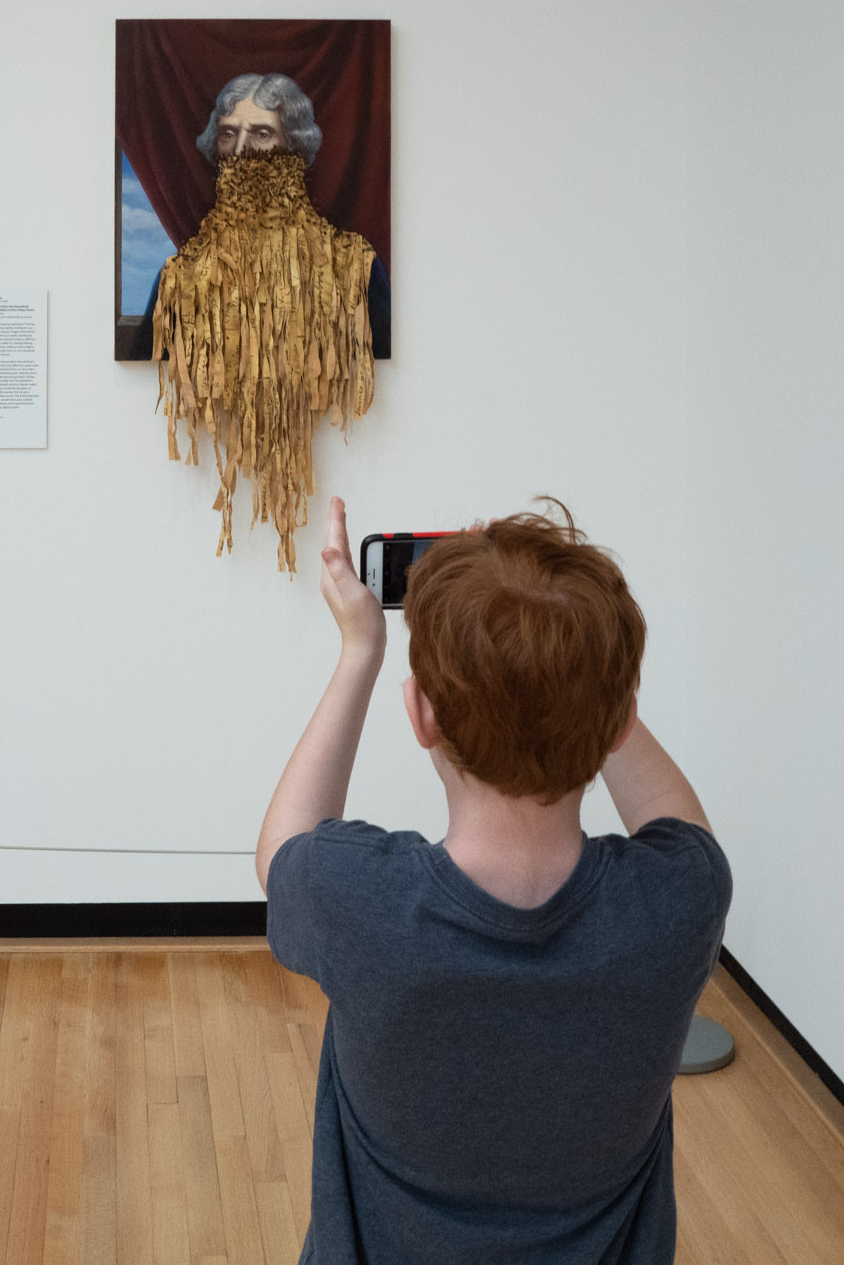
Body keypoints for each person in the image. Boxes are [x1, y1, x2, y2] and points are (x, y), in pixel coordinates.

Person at [258, 497, 732, 1264]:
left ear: (420, 716)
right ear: (619, 722)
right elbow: (681, 826)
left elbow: (281, 848)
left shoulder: (357, 900)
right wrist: (570, 661)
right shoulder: (678, 903)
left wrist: (360, 652)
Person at [127, 73, 391, 360]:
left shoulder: (356, 268)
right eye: (228, 134)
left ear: (296, 148)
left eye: (262, 134)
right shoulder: (179, 278)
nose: (240, 151)